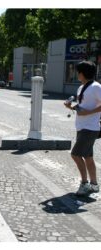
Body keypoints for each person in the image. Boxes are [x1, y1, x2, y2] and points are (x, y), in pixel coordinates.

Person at [64, 61, 101, 196]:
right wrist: (71, 107)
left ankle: (84, 184)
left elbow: (88, 110)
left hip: (90, 128)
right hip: (82, 126)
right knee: (88, 157)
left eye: (77, 72)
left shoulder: (96, 87)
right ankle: (94, 185)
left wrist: (88, 113)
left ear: (82, 73)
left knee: (75, 154)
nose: (76, 74)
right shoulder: (82, 87)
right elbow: (82, 107)